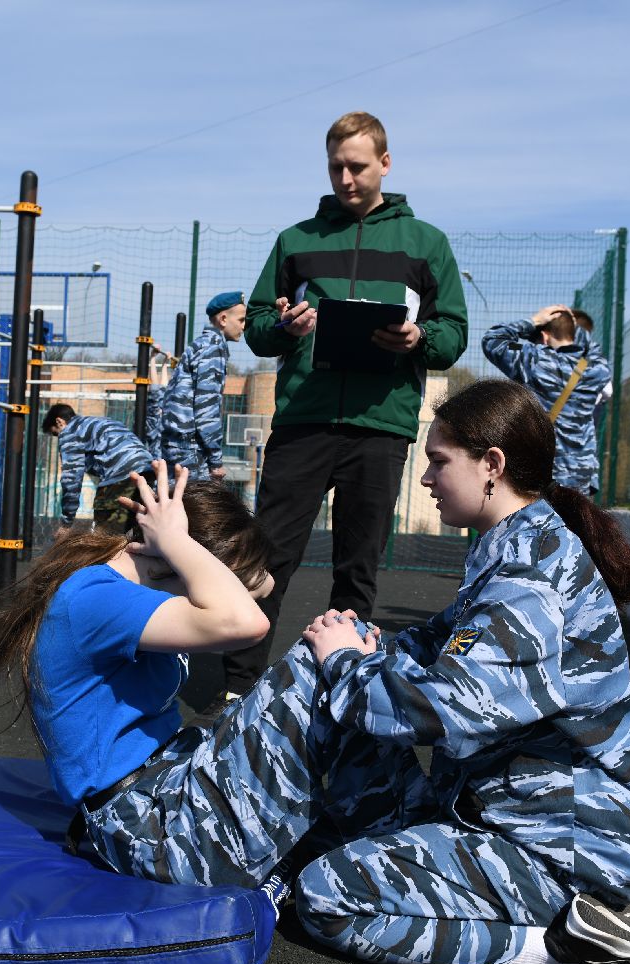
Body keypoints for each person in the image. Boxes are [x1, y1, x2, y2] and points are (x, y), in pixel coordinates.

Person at [0, 377, 630, 964]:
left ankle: (556, 939)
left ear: (492, 465)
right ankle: (397, 853)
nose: (428, 476)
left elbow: (439, 708)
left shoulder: (525, 573)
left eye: (438, 461)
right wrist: (355, 652)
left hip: (557, 844)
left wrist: (342, 659)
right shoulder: (513, 552)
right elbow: (404, 649)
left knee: (328, 878)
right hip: (155, 822)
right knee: (325, 680)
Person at [223, 110, 468, 702]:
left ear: (385, 163)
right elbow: (257, 326)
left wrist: (419, 339)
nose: (346, 178)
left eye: (357, 166)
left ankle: (340, 687)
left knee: (357, 567)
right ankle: (236, 688)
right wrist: (286, 327)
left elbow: (454, 331)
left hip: (380, 426)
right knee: (267, 557)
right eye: (336, 166)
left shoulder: (426, 243)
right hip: (303, 420)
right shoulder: (297, 241)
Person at [481, 304, 613, 496]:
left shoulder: (535, 361)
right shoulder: (595, 369)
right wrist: (573, 327)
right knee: (572, 525)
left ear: (544, 336)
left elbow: (492, 339)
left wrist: (533, 322)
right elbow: (593, 349)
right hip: (581, 473)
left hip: (543, 470)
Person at [160, 291, 243, 480]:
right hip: (192, 447)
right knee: (196, 507)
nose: (243, 326)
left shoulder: (199, 344)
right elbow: (206, 407)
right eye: (241, 320)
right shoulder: (214, 348)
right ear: (223, 319)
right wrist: (215, 459)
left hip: (176, 442)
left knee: (176, 501)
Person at [41, 402, 155, 539]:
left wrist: (66, 522)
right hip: (147, 469)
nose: (58, 437)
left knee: (104, 536)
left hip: (120, 473)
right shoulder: (99, 421)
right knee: (137, 525)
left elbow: (71, 478)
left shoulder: (70, 431)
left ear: (59, 421)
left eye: (55, 433)